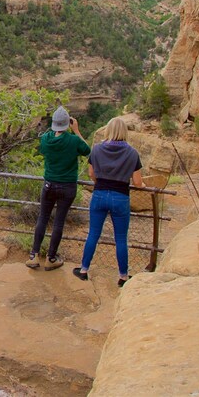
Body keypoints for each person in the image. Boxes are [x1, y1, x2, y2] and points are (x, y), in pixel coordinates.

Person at [72, 118, 146, 287]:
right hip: (120, 197)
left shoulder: (97, 149)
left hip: (99, 194)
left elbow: (91, 174)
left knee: (93, 234)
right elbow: (137, 181)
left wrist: (102, 181)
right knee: (120, 238)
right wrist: (144, 185)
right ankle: (123, 276)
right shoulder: (132, 153)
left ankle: (83, 270)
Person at [26, 107, 90, 271]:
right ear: (67, 123)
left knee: (43, 218)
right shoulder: (73, 140)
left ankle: (33, 255)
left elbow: (45, 143)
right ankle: (51, 258)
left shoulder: (46, 139)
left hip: (48, 185)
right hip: (67, 186)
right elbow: (87, 150)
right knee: (58, 222)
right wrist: (76, 130)